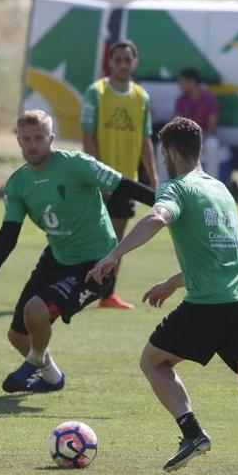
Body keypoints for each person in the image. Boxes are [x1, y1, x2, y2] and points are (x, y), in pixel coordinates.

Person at [86, 117, 238, 475]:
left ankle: (192, 431)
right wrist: (175, 281)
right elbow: (224, 254)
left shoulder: (176, 188)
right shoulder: (220, 190)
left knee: (153, 362)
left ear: (171, 153)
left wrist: (114, 255)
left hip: (210, 303)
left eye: (164, 154)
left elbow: (157, 217)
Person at [0, 110, 154, 393]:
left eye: (39, 137)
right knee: (17, 335)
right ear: (18, 142)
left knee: (35, 311)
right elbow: (9, 231)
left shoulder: (75, 164)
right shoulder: (18, 183)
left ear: (51, 139)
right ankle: (51, 377)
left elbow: (122, 186)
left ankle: (34, 361)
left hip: (96, 264)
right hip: (57, 257)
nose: (32, 144)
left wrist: (165, 204)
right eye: (26, 138)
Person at [81, 39, 158, 310]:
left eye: (128, 60)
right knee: (93, 237)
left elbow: (144, 140)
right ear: (110, 63)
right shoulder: (97, 92)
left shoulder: (141, 97)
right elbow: (88, 137)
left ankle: (107, 294)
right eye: (118, 60)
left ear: (134, 62)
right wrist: (96, 175)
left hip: (128, 180)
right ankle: (79, 289)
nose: (123, 65)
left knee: (119, 239)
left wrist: (153, 177)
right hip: (100, 180)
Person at [174, 67, 225, 181]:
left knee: (213, 145)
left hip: (205, 138)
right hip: (186, 139)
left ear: (191, 82)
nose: (180, 86)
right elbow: (176, 125)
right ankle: (165, 187)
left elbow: (212, 129)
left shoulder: (209, 98)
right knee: (163, 147)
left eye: (182, 82)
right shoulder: (181, 100)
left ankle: (212, 186)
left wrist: (198, 140)